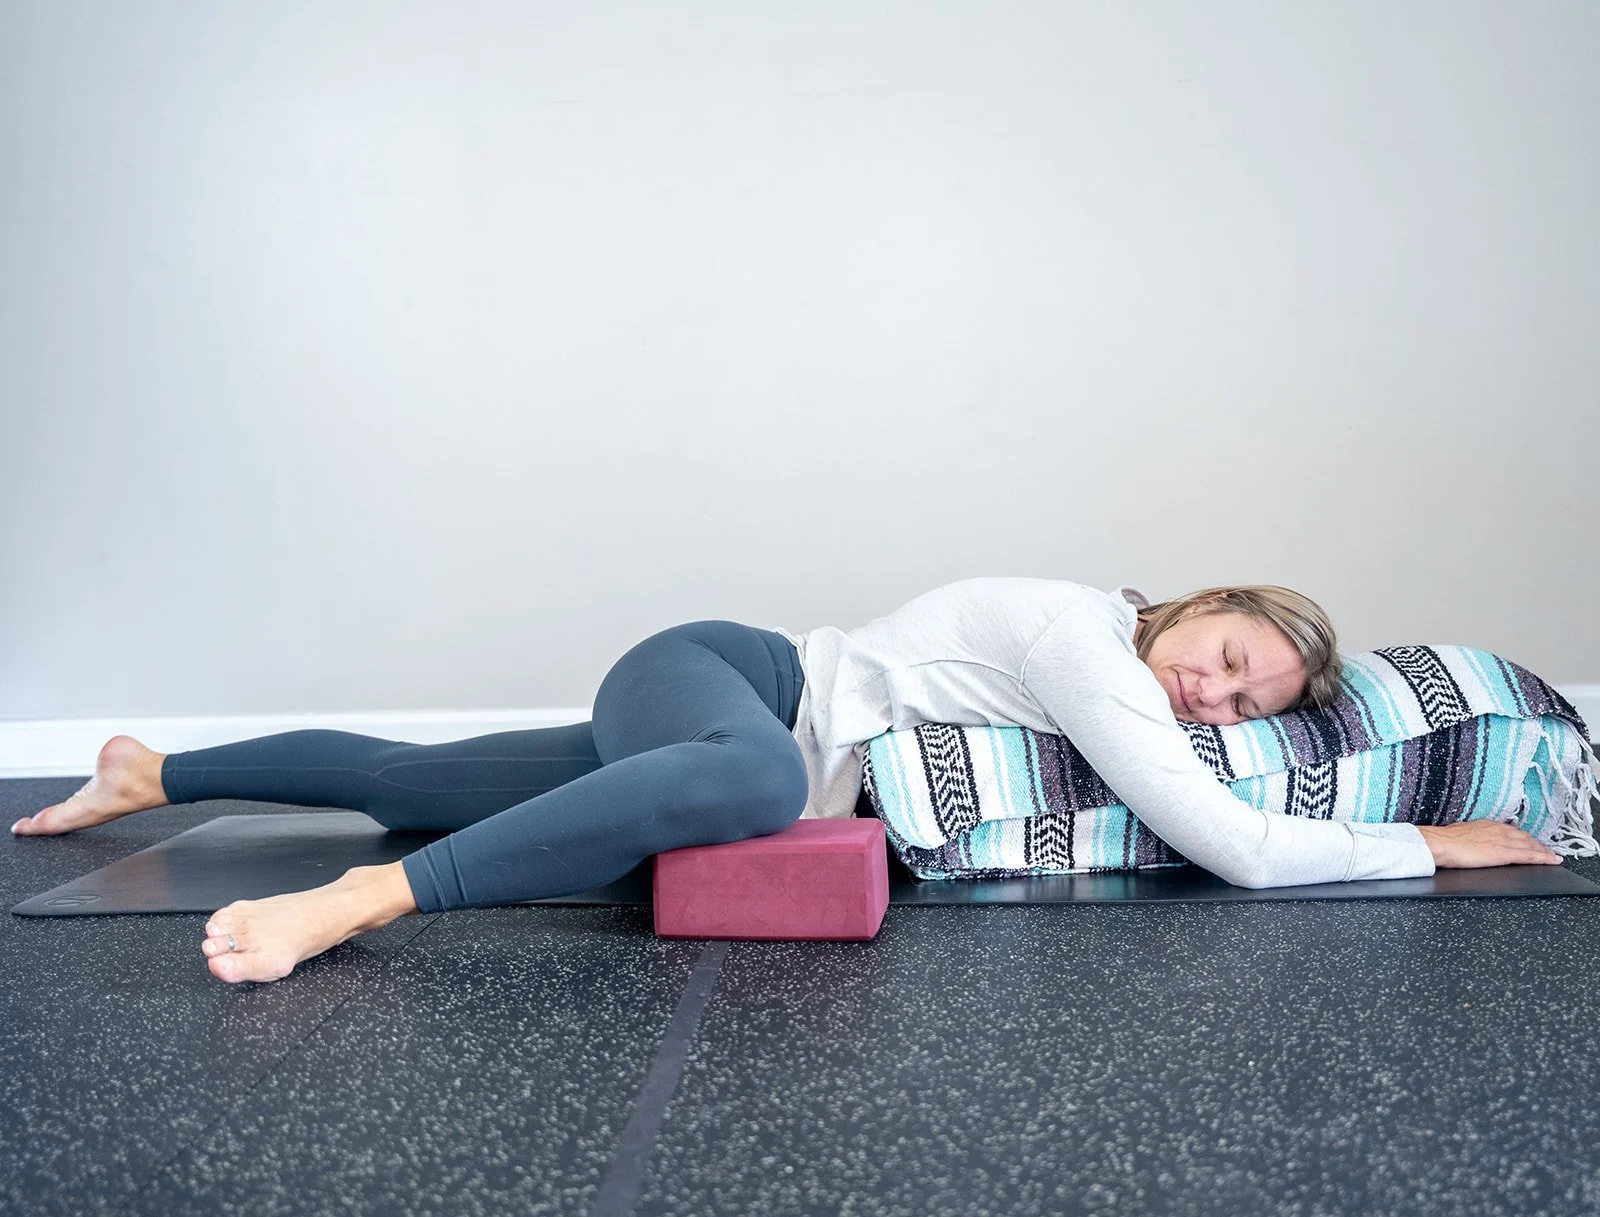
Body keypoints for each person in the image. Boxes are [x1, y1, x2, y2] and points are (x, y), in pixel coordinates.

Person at [11, 577, 1560, 985]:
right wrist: (1443, 844)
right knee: (757, 782)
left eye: (1252, 698)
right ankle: (355, 903)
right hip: (728, 680)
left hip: (704, 736)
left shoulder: (1130, 661)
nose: (1214, 693)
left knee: (438, 779)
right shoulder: (1082, 634)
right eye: (1228, 653)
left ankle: (158, 769)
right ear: (1192, 604)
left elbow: (1216, 796)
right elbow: (1223, 841)